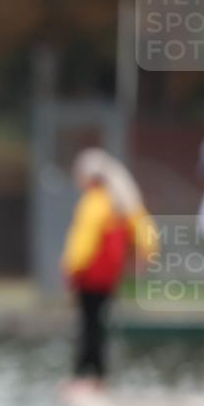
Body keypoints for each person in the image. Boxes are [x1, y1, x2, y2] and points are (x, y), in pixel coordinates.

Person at [61, 148, 158, 390]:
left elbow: (82, 243)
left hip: (90, 277)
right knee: (97, 324)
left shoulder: (95, 202)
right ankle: (96, 376)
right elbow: (146, 230)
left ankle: (85, 375)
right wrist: (147, 254)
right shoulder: (121, 203)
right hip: (108, 277)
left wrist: (70, 269)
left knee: (88, 325)